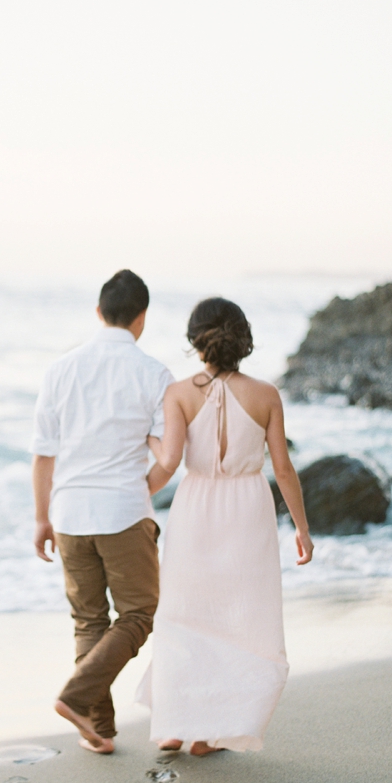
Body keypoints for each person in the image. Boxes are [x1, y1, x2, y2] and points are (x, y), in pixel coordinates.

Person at [138, 296, 314, 756]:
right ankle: (209, 732)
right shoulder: (266, 394)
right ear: (242, 341)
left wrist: (132, 496)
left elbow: (169, 462)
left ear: (196, 342)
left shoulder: (178, 392)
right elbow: (285, 468)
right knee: (238, 619)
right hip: (247, 510)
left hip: (195, 507)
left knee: (184, 612)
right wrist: (302, 528)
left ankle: (174, 726)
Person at [31, 269, 173, 754]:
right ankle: (76, 696)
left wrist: (40, 517)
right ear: (142, 318)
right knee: (139, 613)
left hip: (69, 512)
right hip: (122, 513)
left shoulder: (60, 369)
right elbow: (167, 453)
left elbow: (43, 453)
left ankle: (99, 729)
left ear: (98, 313)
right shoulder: (154, 373)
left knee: (89, 620)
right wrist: (143, 491)